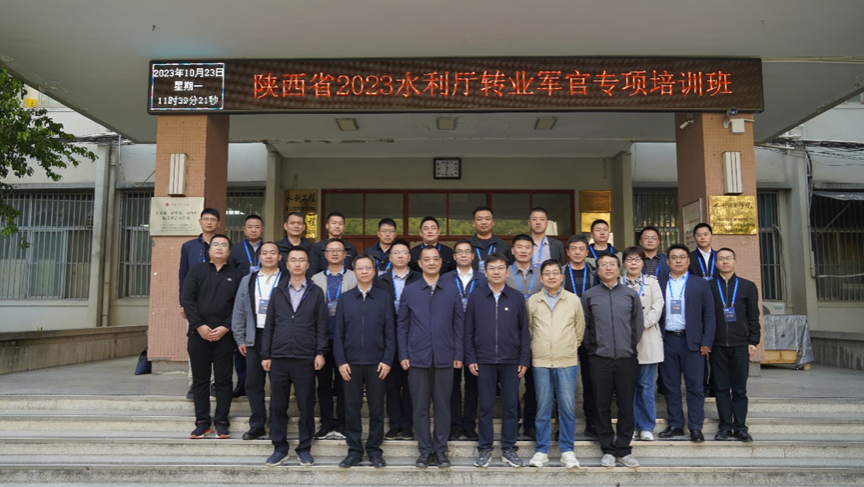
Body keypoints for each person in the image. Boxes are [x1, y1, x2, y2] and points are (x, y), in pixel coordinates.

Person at [398, 246, 464, 469]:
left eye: (435, 258)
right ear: (419, 263)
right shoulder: (410, 291)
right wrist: (404, 353)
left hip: (445, 356)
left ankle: (441, 450)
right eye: (427, 259)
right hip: (417, 357)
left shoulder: (452, 290)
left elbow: (459, 324)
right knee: (420, 407)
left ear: (441, 262)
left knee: (443, 406)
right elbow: (402, 325)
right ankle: (425, 450)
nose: (431, 262)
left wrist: (458, 353)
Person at [260, 246, 327, 467]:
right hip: (279, 356)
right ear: (287, 265)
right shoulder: (278, 291)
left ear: (308, 265)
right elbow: (269, 325)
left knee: (306, 405)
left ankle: (304, 448)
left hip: (305, 357)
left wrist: (320, 352)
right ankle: (279, 448)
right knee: (277, 406)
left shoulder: (316, 292)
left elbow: (321, 326)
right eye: (293, 260)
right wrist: (266, 354)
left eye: (302, 260)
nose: (297, 264)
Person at [465, 253, 530, 468]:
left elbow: (524, 331)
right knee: (485, 406)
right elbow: (468, 330)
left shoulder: (516, 297)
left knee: (511, 406)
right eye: (491, 268)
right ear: (485, 272)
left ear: (507, 271)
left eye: (500, 268)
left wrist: (523, 359)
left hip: (511, 360)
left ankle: (509, 448)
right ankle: (485, 448)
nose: (496, 272)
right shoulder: (476, 297)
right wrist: (471, 357)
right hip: (483, 360)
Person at [334, 253, 395, 468]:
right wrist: (341, 361)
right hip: (350, 363)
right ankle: (354, 451)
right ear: (355, 272)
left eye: (368, 267)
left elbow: (390, 333)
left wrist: (387, 360)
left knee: (377, 409)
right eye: (360, 268)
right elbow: (338, 333)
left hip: (377, 363)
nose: (365, 271)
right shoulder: (345, 298)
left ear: (374, 271)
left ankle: (375, 450)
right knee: (352, 409)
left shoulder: (384, 298)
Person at [582, 253, 644, 468]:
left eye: (612, 264)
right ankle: (607, 449)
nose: (608, 268)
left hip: (626, 358)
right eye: (603, 265)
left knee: (626, 405)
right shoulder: (589, 296)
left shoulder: (630, 295)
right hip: (600, 359)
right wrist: (594, 349)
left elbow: (637, 325)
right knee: (601, 405)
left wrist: (629, 346)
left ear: (619, 269)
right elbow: (584, 327)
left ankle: (624, 449)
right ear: (598, 270)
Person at [181, 234, 244, 440]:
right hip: (198, 334)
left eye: (224, 245)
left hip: (224, 335)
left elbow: (239, 305)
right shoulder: (196, 271)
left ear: (229, 251)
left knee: (224, 380)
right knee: (201, 380)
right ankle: (202, 422)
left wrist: (226, 327)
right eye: (215, 244)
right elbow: (187, 299)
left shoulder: (237, 275)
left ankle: (222, 422)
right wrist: (199, 326)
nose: (219, 247)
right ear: (209, 250)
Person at [526, 259, 585, 469]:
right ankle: (541, 450)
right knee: (543, 407)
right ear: (541, 278)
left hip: (566, 361)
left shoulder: (573, 300)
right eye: (547, 273)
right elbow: (529, 330)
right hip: (541, 361)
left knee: (567, 407)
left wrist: (568, 346)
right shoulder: (533, 301)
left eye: (555, 273)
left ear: (561, 277)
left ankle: (567, 450)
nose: (551, 276)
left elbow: (579, 330)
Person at [658, 244, 716, 443]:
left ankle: (695, 427)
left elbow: (709, 314)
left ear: (688, 261)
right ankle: (675, 425)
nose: (678, 261)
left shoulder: (700, 284)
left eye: (682, 257)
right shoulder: (659, 283)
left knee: (695, 387)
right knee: (670, 386)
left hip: (693, 342)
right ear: (668, 261)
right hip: (667, 340)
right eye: (674, 257)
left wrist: (707, 341)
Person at [231, 241, 284, 441]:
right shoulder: (248, 280)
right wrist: (240, 337)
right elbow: (239, 310)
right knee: (253, 383)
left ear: (280, 257)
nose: (269, 256)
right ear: (259, 257)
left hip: (279, 339)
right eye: (265, 253)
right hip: (255, 337)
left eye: (273, 253)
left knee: (278, 383)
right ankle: (257, 424)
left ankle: (277, 422)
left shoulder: (286, 279)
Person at [710, 248, 761, 442]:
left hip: (740, 345)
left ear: (735, 261)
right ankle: (724, 427)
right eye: (721, 259)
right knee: (721, 388)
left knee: (739, 389)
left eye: (728, 258)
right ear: (716, 263)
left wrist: (753, 340)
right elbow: (705, 316)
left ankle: (740, 427)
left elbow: (753, 316)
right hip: (717, 345)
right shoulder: (709, 286)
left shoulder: (747, 286)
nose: (725, 262)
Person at [311, 238, 358, 440]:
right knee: (323, 384)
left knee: (344, 382)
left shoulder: (354, 277)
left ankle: (342, 423)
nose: (335, 253)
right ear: (325, 254)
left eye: (339, 250)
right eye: (331, 250)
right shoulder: (315, 279)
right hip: (322, 338)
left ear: (345, 254)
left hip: (346, 339)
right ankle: (326, 422)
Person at [375, 239, 421, 441]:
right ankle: (394, 425)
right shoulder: (381, 280)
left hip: (414, 337)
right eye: (396, 253)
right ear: (390, 257)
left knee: (411, 385)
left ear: (409, 257)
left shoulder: (419, 279)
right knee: (391, 385)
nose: (400, 256)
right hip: (388, 338)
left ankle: (407, 425)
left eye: (404, 252)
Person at [443, 239, 486, 441]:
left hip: (476, 337)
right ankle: (454, 425)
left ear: (472, 256)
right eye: (459, 251)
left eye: (467, 251)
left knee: (472, 383)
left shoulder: (482, 279)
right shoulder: (445, 279)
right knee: (451, 385)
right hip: (450, 336)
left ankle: (469, 424)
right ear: (454, 256)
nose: (463, 255)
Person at [620, 246, 664, 442]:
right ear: (624, 263)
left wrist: (641, 324)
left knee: (645, 385)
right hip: (624, 340)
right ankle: (629, 425)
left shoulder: (652, 282)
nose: (633, 263)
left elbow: (658, 307)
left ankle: (646, 426)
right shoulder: (618, 283)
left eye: (637, 259)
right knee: (627, 386)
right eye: (629, 260)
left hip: (648, 338)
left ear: (643, 263)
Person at [562, 234, 600, 440]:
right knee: (563, 380)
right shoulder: (559, 273)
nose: (577, 252)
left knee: (591, 379)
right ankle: (562, 424)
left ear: (587, 252)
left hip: (590, 331)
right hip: (564, 331)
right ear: (568, 252)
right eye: (573, 249)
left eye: (581, 249)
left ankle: (591, 421)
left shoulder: (595, 273)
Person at [179, 208, 220, 400]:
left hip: (217, 304)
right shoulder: (189, 247)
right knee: (195, 346)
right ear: (200, 221)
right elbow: (183, 275)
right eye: (206, 219)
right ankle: (194, 383)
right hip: (194, 304)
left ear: (218, 223)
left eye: (213, 220)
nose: (209, 222)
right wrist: (183, 303)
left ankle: (214, 383)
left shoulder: (222, 245)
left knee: (217, 343)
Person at [505, 233, 542, 439]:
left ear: (532, 251)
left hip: (536, 335)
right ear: (513, 250)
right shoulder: (504, 273)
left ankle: (530, 424)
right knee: (511, 384)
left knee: (534, 383)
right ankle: (513, 422)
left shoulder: (541, 274)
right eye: (519, 247)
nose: (523, 251)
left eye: (527, 247)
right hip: (510, 336)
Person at [226, 214, 265, 398]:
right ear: (244, 229)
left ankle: (261, 383)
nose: (253, 230)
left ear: (262, 229)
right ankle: (242, 383)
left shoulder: (268, 249)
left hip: (264, 302)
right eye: (250, 227)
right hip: (242, 301)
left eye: (257, 227)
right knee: (240, 346)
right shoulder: (235, 250)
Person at [467, 206, 512, 275]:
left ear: (493, 222)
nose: (483, 222)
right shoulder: (467, 245)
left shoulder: (503, 245)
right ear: (473, 223)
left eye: (487, 219)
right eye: (479, 219)